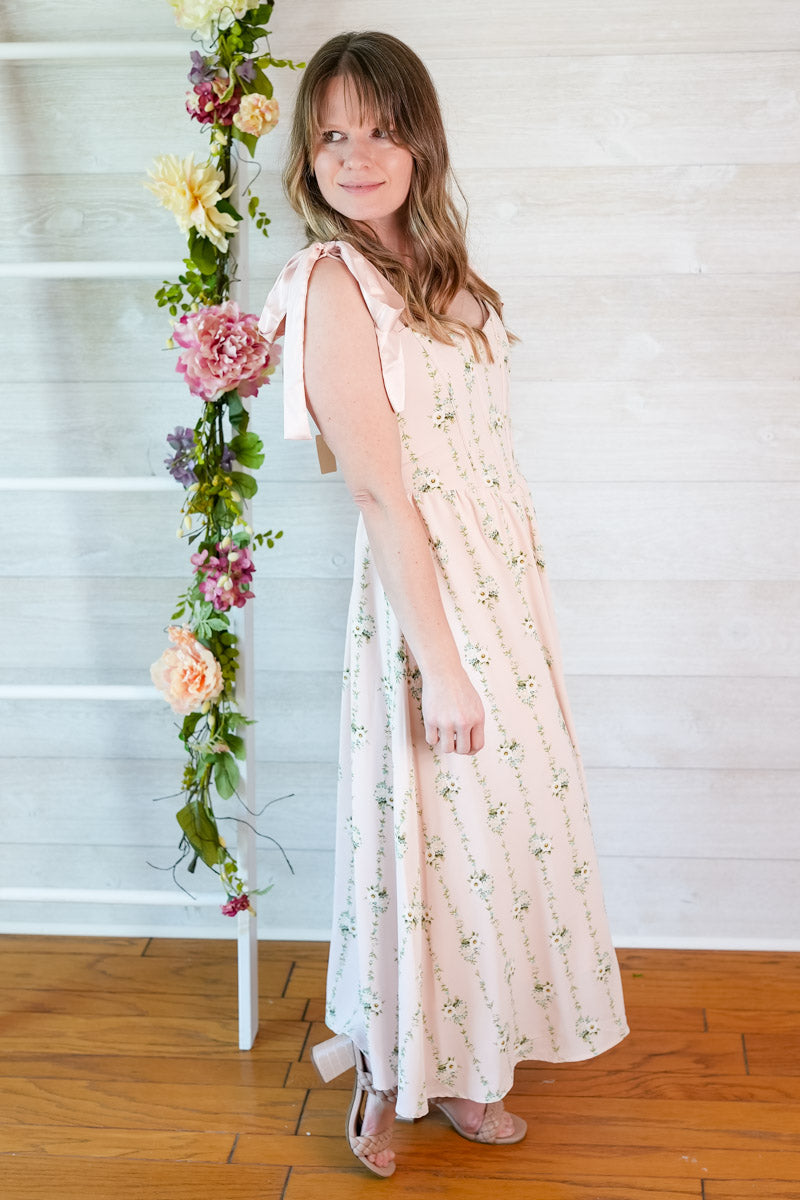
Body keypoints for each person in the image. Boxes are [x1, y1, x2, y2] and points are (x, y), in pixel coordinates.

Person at [259, 30, 630, 1179]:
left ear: (419, 139)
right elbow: (379, 489)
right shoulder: (331, 284)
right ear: (307, 156)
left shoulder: (439, 267)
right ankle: (389, 1065)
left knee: (497, 834)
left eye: (378, 129)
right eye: (331, 134)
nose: (354, 155)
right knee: (422, 832)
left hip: (503, 589)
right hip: (427, 600)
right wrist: (443, 664)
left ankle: (470, 1060)